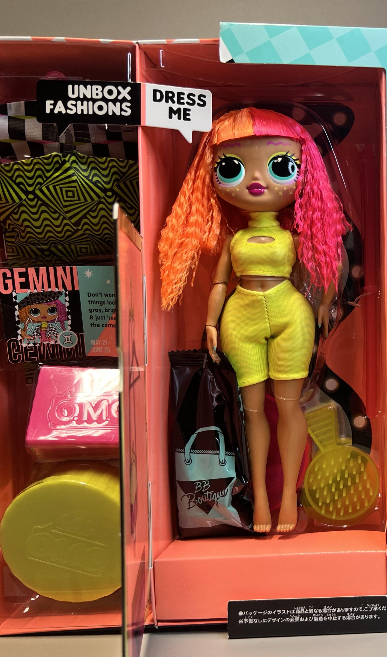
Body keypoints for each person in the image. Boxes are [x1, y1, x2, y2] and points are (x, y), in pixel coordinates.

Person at [158, 108, 348, 533]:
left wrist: (324, 303)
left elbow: (330, 263)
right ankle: (260, 497)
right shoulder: (235, 239)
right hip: (240, 318)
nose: (257, 180)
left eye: (281, 166)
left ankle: (288, 499)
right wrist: (210, 324)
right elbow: (218, 284)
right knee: (251, 411)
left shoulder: (294, 238)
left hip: (290, 314)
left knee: (289, 406)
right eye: (231, 168)